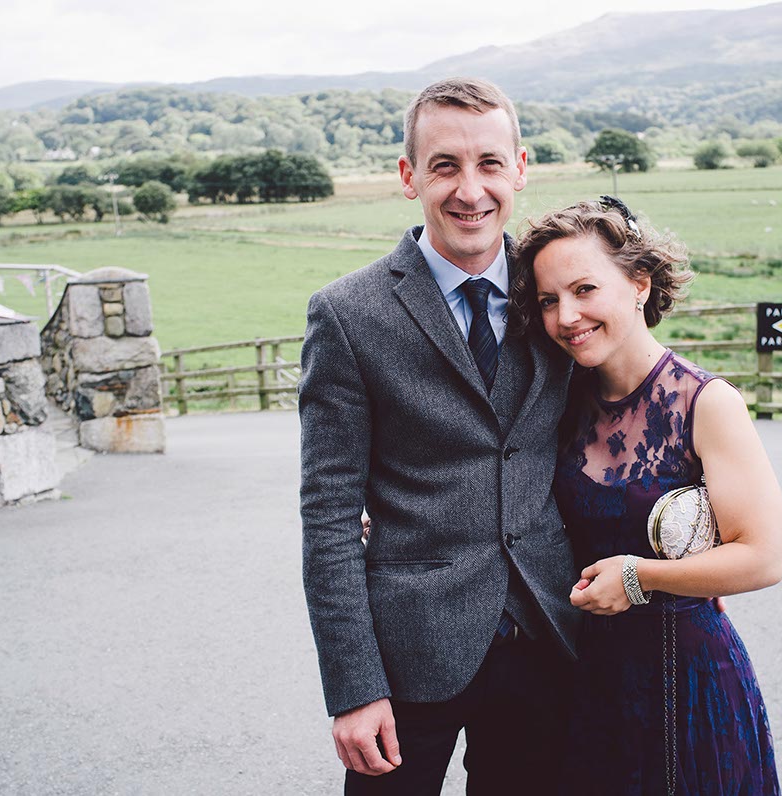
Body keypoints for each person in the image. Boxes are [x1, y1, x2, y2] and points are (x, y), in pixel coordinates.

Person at [298, 78, 581, 795]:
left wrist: (674, 556)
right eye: (445, 165)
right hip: (408, 655)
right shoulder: (347, 314)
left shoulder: (560, 297)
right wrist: (353, 688)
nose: (470, 190)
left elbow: (612, 434)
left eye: (490, 163)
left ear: (520, 168)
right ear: (409, 175)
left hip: (546, 634)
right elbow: (328, 513)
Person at [511, 198, 782, 795]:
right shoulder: (559, 400)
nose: (567, 316)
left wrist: (640, 577)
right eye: (549, 300)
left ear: (639, 283)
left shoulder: (706, 403)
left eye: (585, 289)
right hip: (587, 683)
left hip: (688, 679)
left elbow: (764, 557)